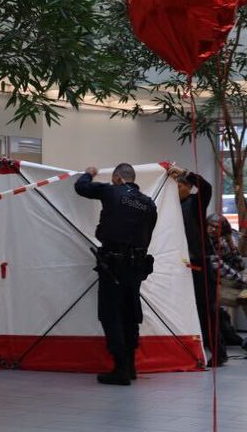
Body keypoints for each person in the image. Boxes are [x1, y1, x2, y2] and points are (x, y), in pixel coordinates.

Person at [75, 163, 158, 386]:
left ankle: (120, 368)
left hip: (113, 265)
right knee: (131, 315)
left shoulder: (111, 191)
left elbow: (81, 188)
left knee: (110, 314)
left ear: (118, 178)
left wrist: (89, 173)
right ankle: (130, 366)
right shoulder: (148, 203)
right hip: (136, 266)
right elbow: (148, 234)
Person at [169, 165, 224, 366]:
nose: (175, 190)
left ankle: (218, 353)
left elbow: (206, 187)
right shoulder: (172, 206)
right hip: (184, 265)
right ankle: (200, 349)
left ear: (187, 187)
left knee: (205, 309)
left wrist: (184, 172)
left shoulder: (194, 203)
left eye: (179, 185)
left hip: (199, 263)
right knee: (191, 309)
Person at [208, 214, 247, 331]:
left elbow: (240, 266)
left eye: (217, 227)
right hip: (213, 283)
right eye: (211, 226)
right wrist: (244, 280)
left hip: (226, 280)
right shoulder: (205, 243)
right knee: (246, 297)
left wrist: (231, 244)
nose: (213, 229)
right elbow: (219, 266)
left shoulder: (223, 242)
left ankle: (245, 294)